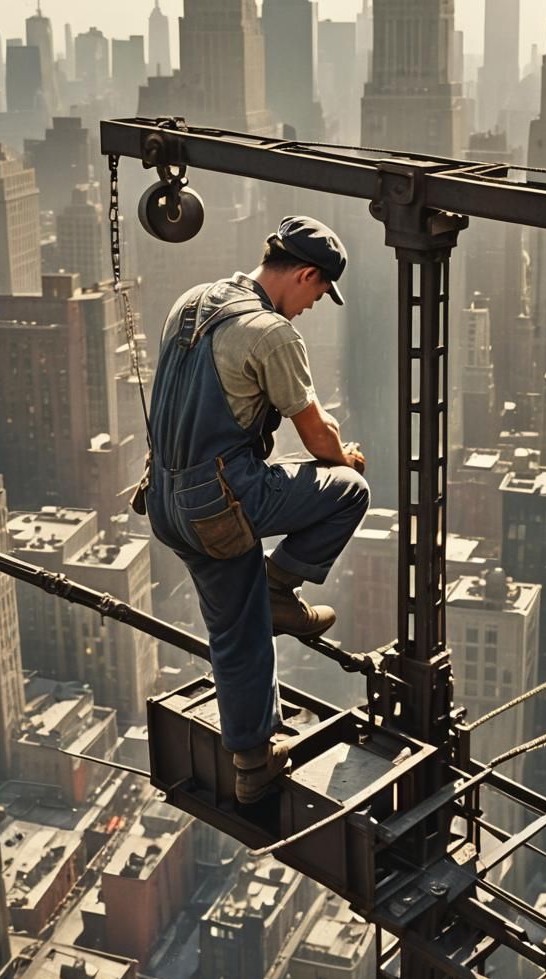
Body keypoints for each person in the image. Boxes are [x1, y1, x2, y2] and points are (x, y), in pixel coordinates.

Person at [143, 215, 370, 803]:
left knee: (234, 627)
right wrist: (343, 454)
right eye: (318, 293)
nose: (313, 306)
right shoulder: (271, 333)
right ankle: (280, 589)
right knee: (349, 489)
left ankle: (252, 758)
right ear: (304, 273)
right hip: (220, 499)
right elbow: (316, 436)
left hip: (166, 503)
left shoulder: (192, 301)